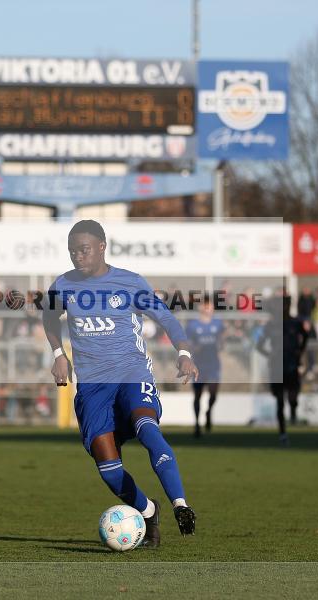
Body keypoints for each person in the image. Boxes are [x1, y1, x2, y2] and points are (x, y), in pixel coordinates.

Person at [42, 220, 199, 547]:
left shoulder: (129, 282)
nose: (77, 256)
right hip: (92, 387)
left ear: (102, 246)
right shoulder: (63, 285)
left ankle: (180, 505)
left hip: (132, 374)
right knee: (109, 469)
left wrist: (184, 352)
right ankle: (148, 511)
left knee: (147, 429)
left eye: (84, 249)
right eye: (72, 251)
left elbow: (166, 318)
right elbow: (48, 316)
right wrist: (59, 354)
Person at [258, 295, 307, 447]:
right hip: (277, 367)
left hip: (292, 364)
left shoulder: (296, 323)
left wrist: (299, 351)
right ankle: (282, 433)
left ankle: (293, 410)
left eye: (286, 305)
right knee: (279, 401)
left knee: (292, 398)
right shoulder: (271, 324)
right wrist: (269, 355)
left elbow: (305, 337)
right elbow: (259, 345)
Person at [185, 297, 223, 438]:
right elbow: (187, 343)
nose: (209, 309)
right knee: (198, 395)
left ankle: (208, 412)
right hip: (199, 365)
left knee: (213, 393)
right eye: (206, 306)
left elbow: (222, 339)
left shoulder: (218, 324)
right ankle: (197, 424)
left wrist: (221, 344)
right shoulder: (192, 325)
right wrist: (195, 348)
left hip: (213, 365)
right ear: (201, 307)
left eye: (211, 306)